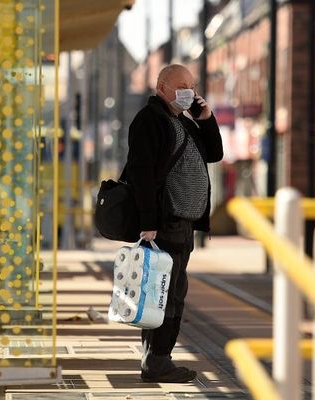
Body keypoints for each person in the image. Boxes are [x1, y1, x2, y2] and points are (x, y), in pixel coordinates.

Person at [125, 64, 223, 383]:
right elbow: (142, 173)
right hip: (165, 223)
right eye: (182, 86)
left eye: (192, 87)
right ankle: (158, 360)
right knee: (164, 292)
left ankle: (155, 357)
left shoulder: (182, 121)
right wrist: (148, 222)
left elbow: (215, 153)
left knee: (168, 290)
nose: (189, 92)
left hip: (182, 223)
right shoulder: (150, 120)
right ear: (162, 87)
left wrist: (205, 118)